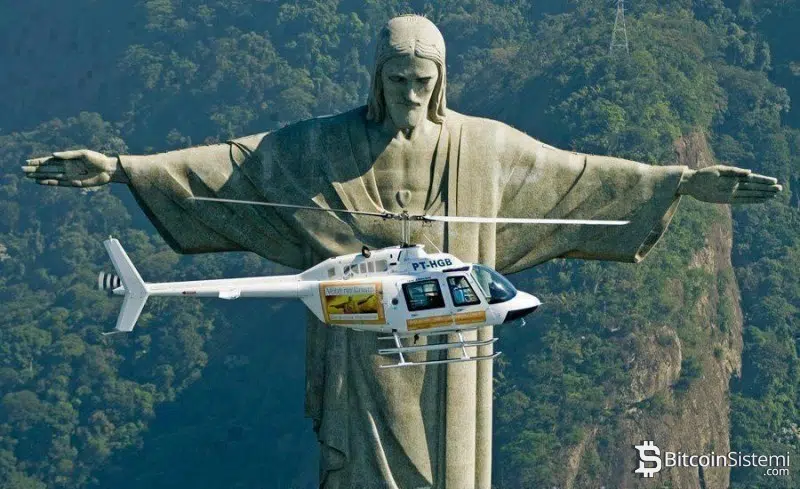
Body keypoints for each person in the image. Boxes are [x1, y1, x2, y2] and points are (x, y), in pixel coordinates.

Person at [22, 15, 781, 489]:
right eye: (397, 79)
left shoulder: (483, 149)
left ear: (441, 80)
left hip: (451, 361)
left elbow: (579, 179)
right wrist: (120, 168)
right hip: (359, 356)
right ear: (376, 79)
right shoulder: (321, 147)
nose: (411, 94)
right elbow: (230, 168)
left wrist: (682, 182)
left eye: (423, 81)